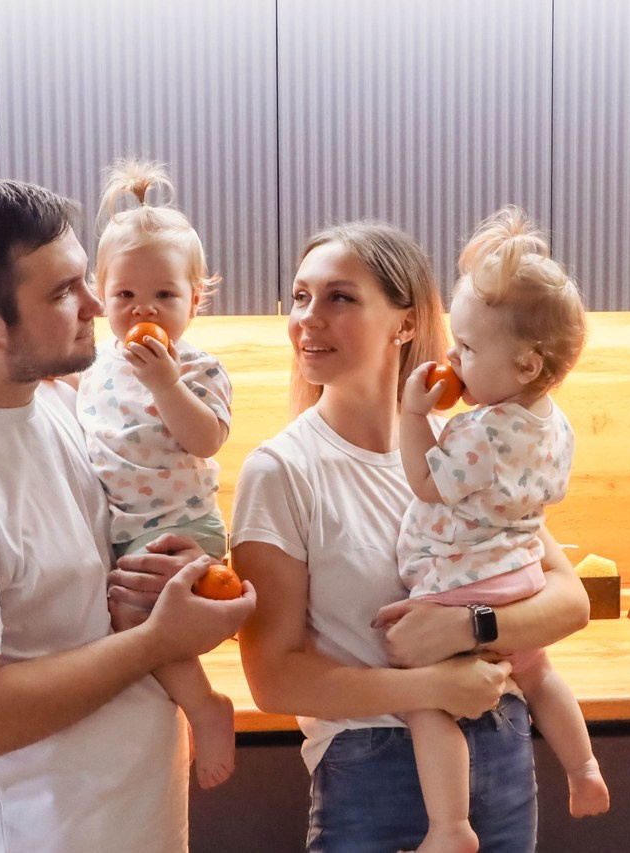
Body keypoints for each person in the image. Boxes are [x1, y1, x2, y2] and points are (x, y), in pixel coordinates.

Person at [0, 177, 254, 852]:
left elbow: (100, 602)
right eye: (66, 289)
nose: (100, 303)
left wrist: (180, 582)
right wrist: (159, 640)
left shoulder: (68, 408)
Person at [224, 220, 591, 852]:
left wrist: (469, 627)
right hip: (372, 768)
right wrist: (430, 686)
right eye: (301, 296)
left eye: (340, 297)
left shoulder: (463, 446)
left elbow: (569, 600)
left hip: (502, 747)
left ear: (405, 323)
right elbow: (274, 680)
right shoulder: (281, 471)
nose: (309, 318)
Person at [395, 206, 610, 851]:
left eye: (466, 348)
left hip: (460, 583)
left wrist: (413, 415)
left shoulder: (481, 432)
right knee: (538, 676)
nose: (453, 360)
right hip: (519, 576)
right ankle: (584, 768)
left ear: (523, 366)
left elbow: (426, 484)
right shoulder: (554, 422)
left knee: (424, 699)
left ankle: (451, 826)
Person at [76, 157, 237, 789]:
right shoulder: (92, 371)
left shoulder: (198, 369)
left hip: (181, 529)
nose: (145, 308)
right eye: (126, 295)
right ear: (101, 296)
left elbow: (207, 437)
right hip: (121, 532)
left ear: (195, 300)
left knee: (131, 624)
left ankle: (205, 707)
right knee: (123, 622)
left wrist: (167, 382)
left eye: (165, 295)